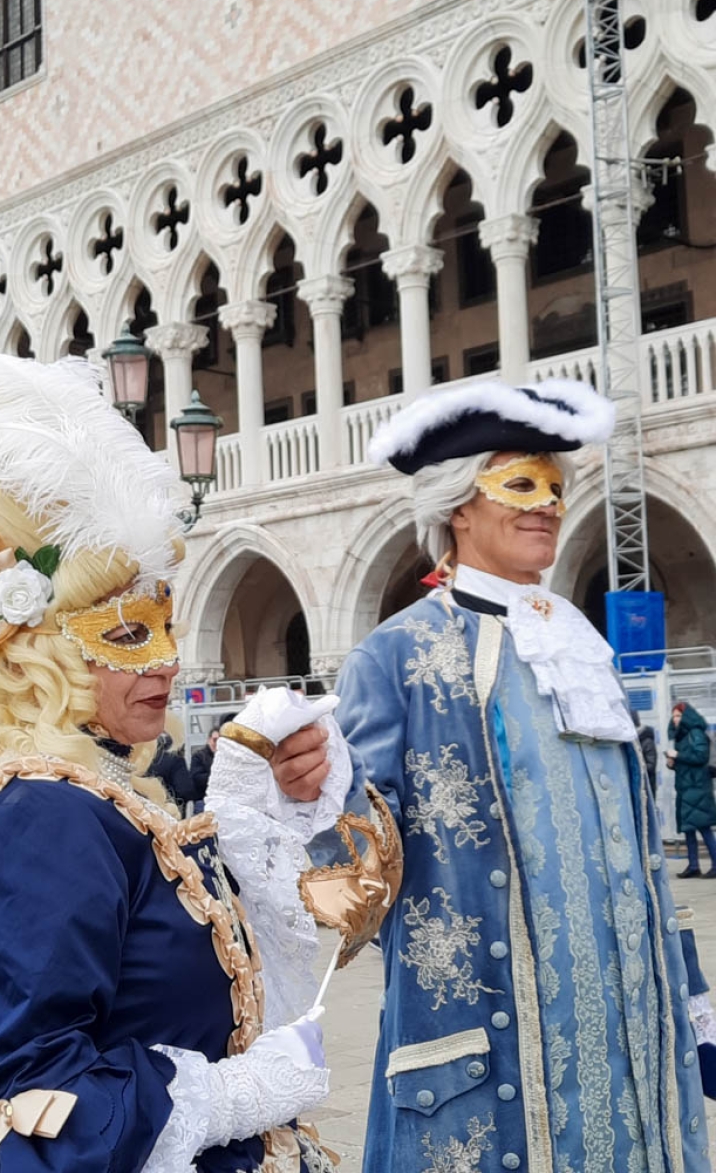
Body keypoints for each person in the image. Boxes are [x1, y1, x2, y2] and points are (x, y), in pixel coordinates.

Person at [0, 352, 348, 1173]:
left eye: (166, 629)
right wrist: (237, 1094)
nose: (168, 663)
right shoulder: (40, 820)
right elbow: (30, 1107)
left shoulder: (108, 790)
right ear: (42, 649)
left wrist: (252, 799)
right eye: (129, 635)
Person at [305, 378, 709, 1172]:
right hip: (492, 1068)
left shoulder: (582, 646)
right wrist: (306, 791)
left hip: (631, 1050)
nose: (547, 505)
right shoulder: (398, 653)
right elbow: (349, 868)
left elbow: (641, 854)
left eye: (556, 489)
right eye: (519, 484)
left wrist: (692, 999)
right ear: (459, 507)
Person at [667, 701, 716, 878]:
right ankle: (693, 865)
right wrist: (672, 764)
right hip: (686, 788)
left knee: (703, 828)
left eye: (678, 716)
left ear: (687, 716)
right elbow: (688, 763)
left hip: (698, 788)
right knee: (688, 829)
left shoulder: (695, 733)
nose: (675, 720)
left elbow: (700, 756)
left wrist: (678, 755)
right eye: (673, 716)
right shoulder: (683, 736)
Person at [189, 727, 220, 806]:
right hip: (203, 799)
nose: (217, 743)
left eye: (220, 741)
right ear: (209, 740)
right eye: (215, 740)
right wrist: (217, 776)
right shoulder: (199, 756)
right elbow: (196, 778)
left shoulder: (227, 757)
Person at [631, 708, 658, 792]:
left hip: (646, 786)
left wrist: (635, 768)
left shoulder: (647, 742)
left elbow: (651, 766)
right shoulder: (631, 740)